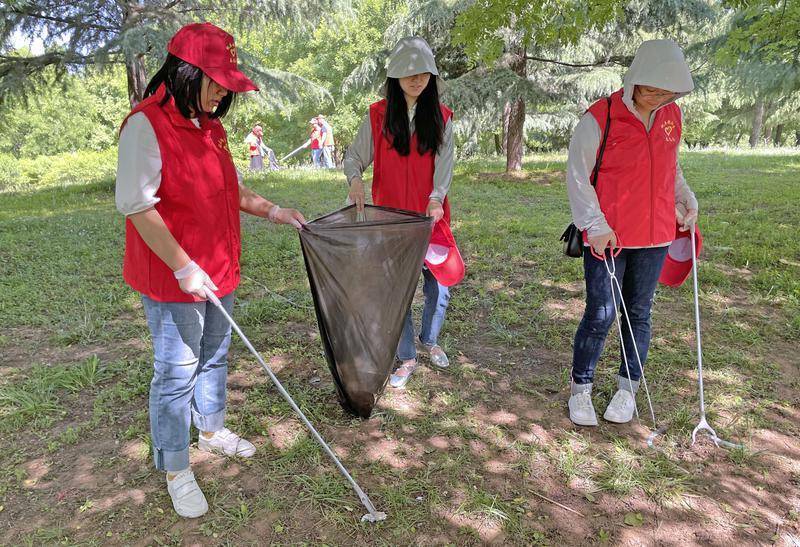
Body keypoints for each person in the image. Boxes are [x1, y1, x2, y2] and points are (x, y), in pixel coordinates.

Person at [114, 23, 306, 518]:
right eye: (215, 80)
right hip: (174, 279)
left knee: (216, 355)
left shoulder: (212, 127)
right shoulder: (145, 125)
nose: (222, 91)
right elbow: (137, 206)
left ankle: (214, 429)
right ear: (185, 71)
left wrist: (275, 211)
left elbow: (231, 192)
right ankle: (177, 467)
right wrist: (182, 267)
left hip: (220, 269)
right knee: (176, 372)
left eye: (227, 82)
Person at [565, 39, 699, 427]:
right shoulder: (600, 117)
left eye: (668, 92)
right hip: (609, 238)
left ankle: (627, 389)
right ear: (634, 80)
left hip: (656, 236)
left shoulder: (671, 115)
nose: (659, 98)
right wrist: (597, 225)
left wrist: (686, 199)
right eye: (653, 90)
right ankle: (581, 389)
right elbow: (577, 178)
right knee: (601, 313)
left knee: (638, 313)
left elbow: (671, 166)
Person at [343, 36, 462, 389]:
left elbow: (445, 165)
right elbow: (354, 157)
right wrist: (355, 181)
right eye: (409, 73)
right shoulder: (378, 114)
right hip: (390, 221)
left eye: (424, 72)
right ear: (396, 76)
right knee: (398, 290)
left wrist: (437, 198)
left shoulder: (441, 117)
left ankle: (431, 340)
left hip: (431, 218)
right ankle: (407, 355)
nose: (417, 79)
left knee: (439, 284)